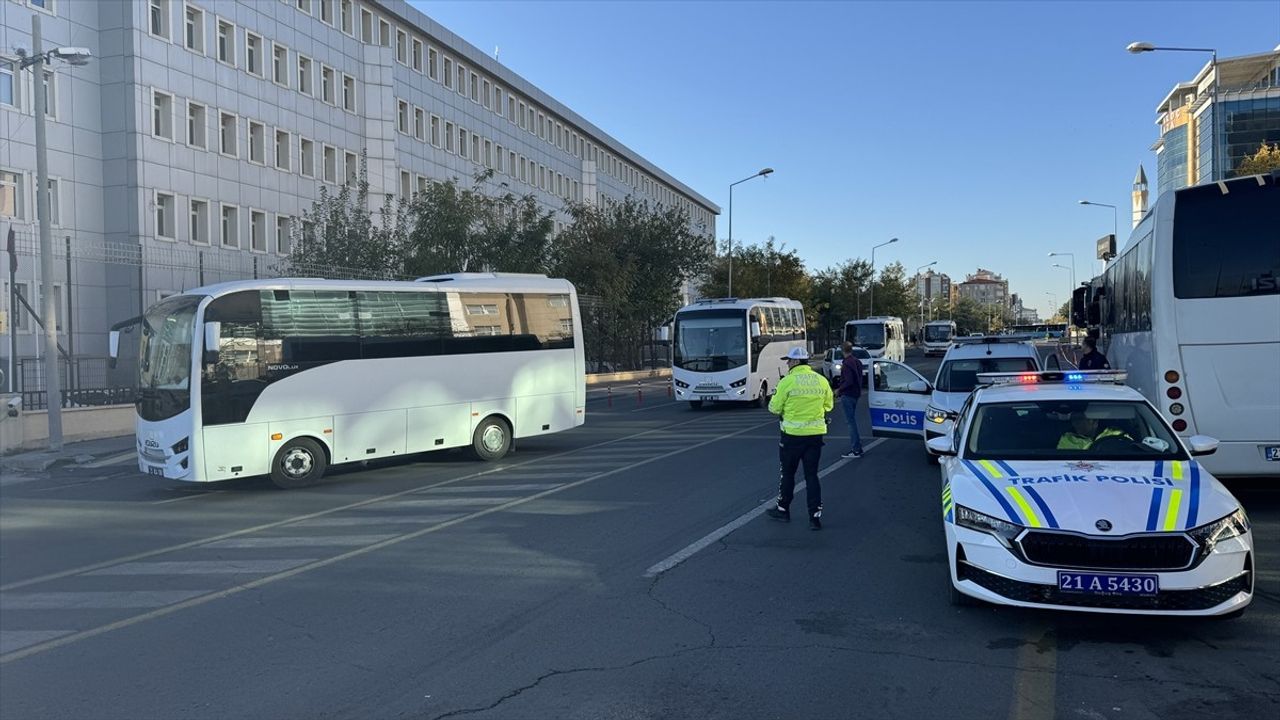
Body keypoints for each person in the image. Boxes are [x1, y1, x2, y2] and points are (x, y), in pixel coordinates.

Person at [767, 347, 834, 530]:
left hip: (791, 437)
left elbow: (773, 408)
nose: (787, 364)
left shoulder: (787, 381)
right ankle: (815, 517)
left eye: (788, 360)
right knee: (812, 476)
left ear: (796, 362)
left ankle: (783, 510)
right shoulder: (821, 380)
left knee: (788, 474)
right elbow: (829, 405)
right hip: (815, 437)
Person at [835, 341, 864, 459]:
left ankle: (856, 449)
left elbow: (848, 381)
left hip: (848, 394)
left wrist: (839, 390)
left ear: (842, 351)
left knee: (850, 422)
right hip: (855, 394)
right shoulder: (856, 361)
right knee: (852, 421)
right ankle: (857, 447)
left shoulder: (847, 364)